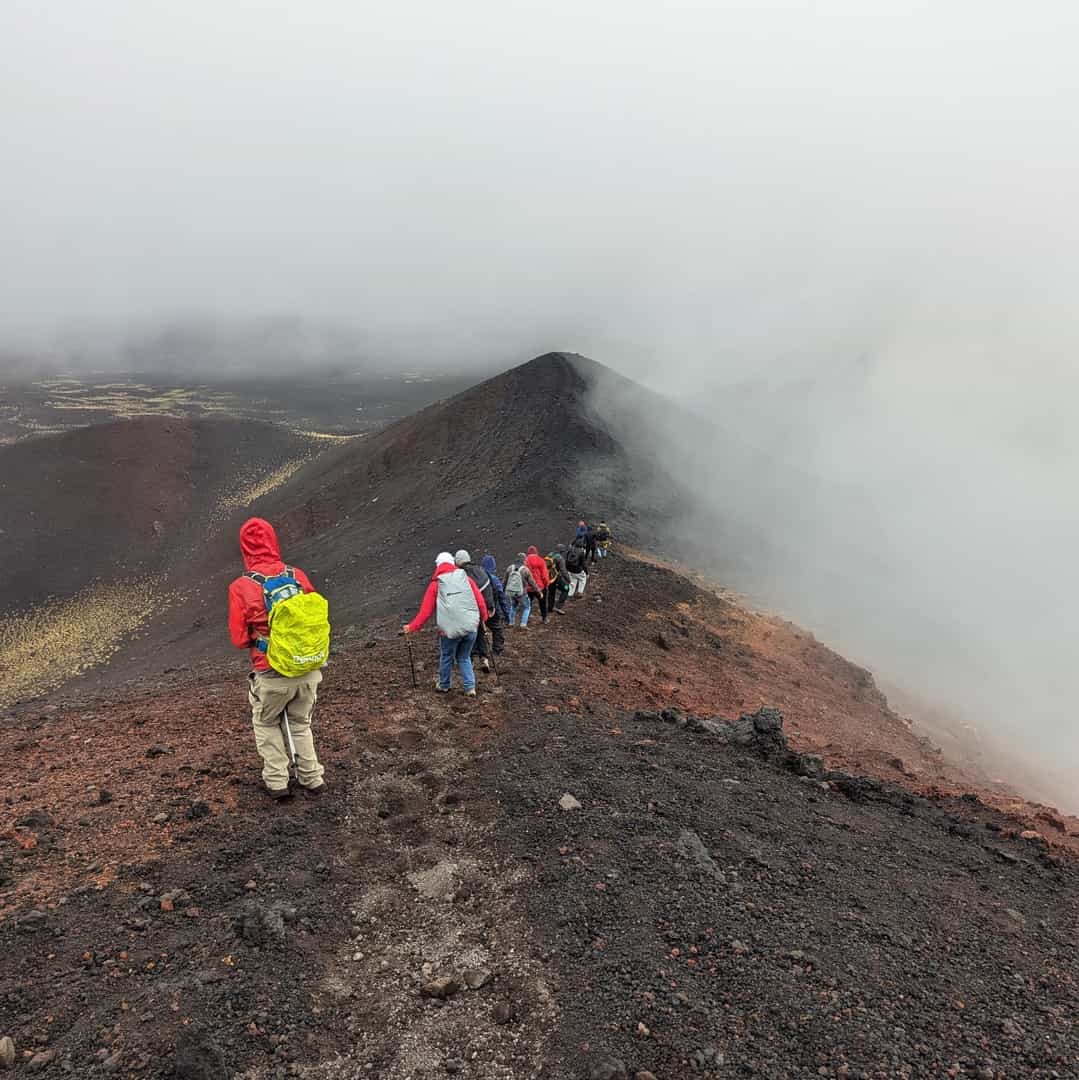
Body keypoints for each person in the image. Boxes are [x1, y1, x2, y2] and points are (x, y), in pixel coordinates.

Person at [228, 517, 326, 801]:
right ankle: (312, 777)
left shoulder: (241, 587)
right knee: (300, 723)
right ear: (273, 541)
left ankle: (277, 782)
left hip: (270, 671)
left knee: (267, 723)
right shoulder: (298, 576)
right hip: (307, 666)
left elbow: (238, 639)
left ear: (245, 548)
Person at [403, 552, 488, 696]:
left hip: (449, 631)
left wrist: (412, 627)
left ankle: (444, 685)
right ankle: (470, 688)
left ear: (438, 565)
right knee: (464, 657)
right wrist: (483, 619)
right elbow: (480, 601)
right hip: (470, 627)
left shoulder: (436, 584)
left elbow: (425, 612)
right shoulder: (466, 579)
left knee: (447, 656)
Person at [455, 550, 500, 670]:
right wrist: (491, 606)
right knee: (480, 631)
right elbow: (492, 587)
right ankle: (484, 658)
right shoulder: (481, 570)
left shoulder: (459, 573)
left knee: (468, 633)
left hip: (468, 610)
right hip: (484, 607)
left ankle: (469, 659)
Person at [481, 555, 511, 654]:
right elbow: (502, 598)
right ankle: (497, 651)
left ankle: (480, 653)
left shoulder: (477, 578)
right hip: (493, 611)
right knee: (497, 629)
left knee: (479, 631)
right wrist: (506, 614)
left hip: (479, 610)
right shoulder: (495, 580)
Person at [504, 554, 536, 628]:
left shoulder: (510, 568)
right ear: (524, 560)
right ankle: (523, 624)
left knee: (513, 606)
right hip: (522, 593)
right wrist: (538, 592)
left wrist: (503, 590)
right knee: (527, 607)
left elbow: (505, 581)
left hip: (511, 592)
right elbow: (532, 583)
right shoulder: (525, 570)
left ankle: (511, 623)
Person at [524, 545, 551, 623]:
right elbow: (544, 575)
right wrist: (546, 584)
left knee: (528, 603)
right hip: (540, 587)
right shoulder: (541, 560)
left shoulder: (525, 561)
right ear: (536, 552)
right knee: (543, 602)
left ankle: (526, 618)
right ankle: (544, 618)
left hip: (529, 587)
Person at [546, 545, 570, 615]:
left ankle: (550, 608)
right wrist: (569, 580)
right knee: (566, 588)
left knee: (551, 592)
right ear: (562, 551)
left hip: (549, 578)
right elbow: (563, 571)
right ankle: (558, 607)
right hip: (556, 578)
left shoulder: (549, 554)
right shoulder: (560, 558)